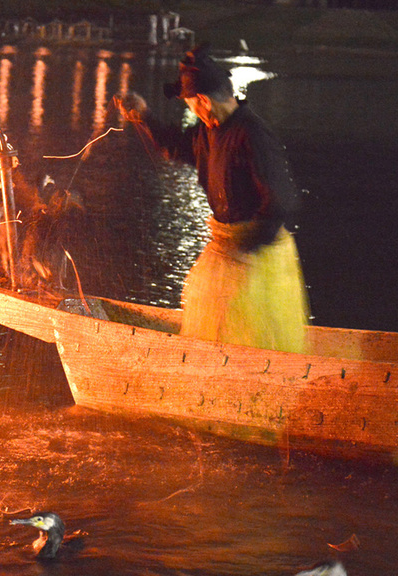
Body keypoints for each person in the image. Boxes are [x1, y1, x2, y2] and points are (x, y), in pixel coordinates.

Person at [116, 46, 310, 353]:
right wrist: (145, 116)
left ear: (203, 101)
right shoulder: (208, 133)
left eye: (190, 103)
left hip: (258, 257)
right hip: (228, 247)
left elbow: (281, 202)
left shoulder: (252, 135)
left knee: (249, 335)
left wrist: (247, 248)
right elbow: (175, 146)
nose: (192, 110)